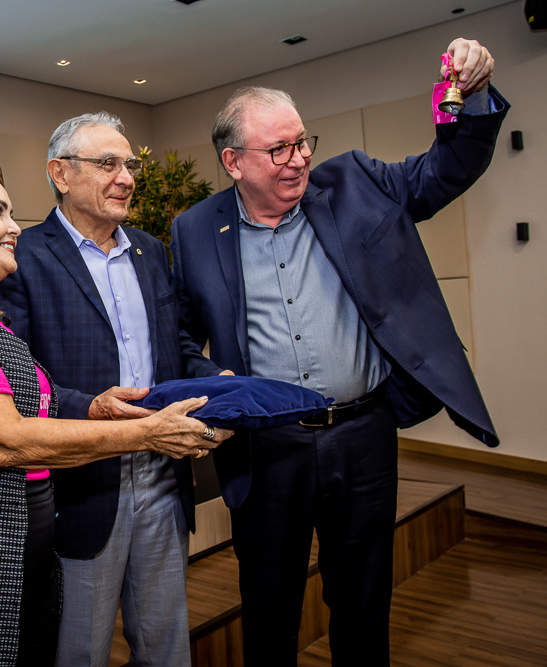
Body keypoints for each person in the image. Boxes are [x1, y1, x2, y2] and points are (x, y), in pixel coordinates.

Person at [171, 38, 505, 666]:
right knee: (269, 611)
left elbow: (447, 170)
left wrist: (475, 93)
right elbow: (183, 334)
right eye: (278, 150)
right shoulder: (194, 229)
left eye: (302, 142)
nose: (297, 160)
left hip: (362, 434)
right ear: (233, 161)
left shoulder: (355, 182)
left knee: (363, 604)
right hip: (266, 446)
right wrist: (216, 382)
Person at [0, 161, 227, 667]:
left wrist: (100, 407)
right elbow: (3, 438)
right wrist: (148, 433)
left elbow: (39, 406)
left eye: (10, 212)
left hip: (13, 558)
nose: (14, 226)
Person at [0, 112, 229, 666]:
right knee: (80, 650)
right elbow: (16, 372)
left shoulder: (149, 251)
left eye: (129, 165)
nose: (125, 177)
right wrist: (90, 408)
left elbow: (177, 347)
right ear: (61, 173)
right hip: (83, 484)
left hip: (162, 478)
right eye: (108, 164)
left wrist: (215, 380)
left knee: (166, 646)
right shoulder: (22, 256)